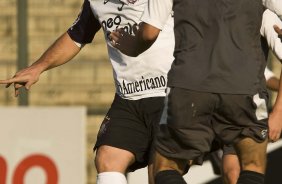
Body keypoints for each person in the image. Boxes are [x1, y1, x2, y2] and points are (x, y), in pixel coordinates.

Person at [0, 0, 175, 184]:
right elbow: (76, 36)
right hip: (128, 98)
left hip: (169, 92)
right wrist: (38, 67)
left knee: (159, 172)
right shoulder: (96, 2)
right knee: (107, 159)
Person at [109, 0, 282, 184]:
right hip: (242, 92)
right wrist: (278, 113)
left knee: (166, 166)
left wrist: (132, 46)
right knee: (252, 164)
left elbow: (149, 33)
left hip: (189, 90)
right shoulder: (263, 13)